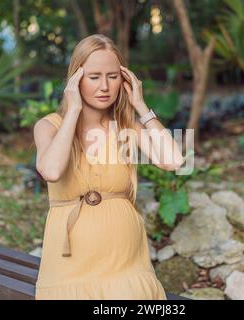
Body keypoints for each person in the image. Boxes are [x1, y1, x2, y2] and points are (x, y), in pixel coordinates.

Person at [33, 34, 184, 299]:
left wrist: (140, 106)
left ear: (124, 79)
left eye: (113, 76)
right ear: (75, 80)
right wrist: (73, 111)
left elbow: (174, 161)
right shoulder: (49, 126)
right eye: (94, 77)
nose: (105, 86)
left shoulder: (126, 129)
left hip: (126, 267)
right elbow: (52, 171)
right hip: (69, 271)